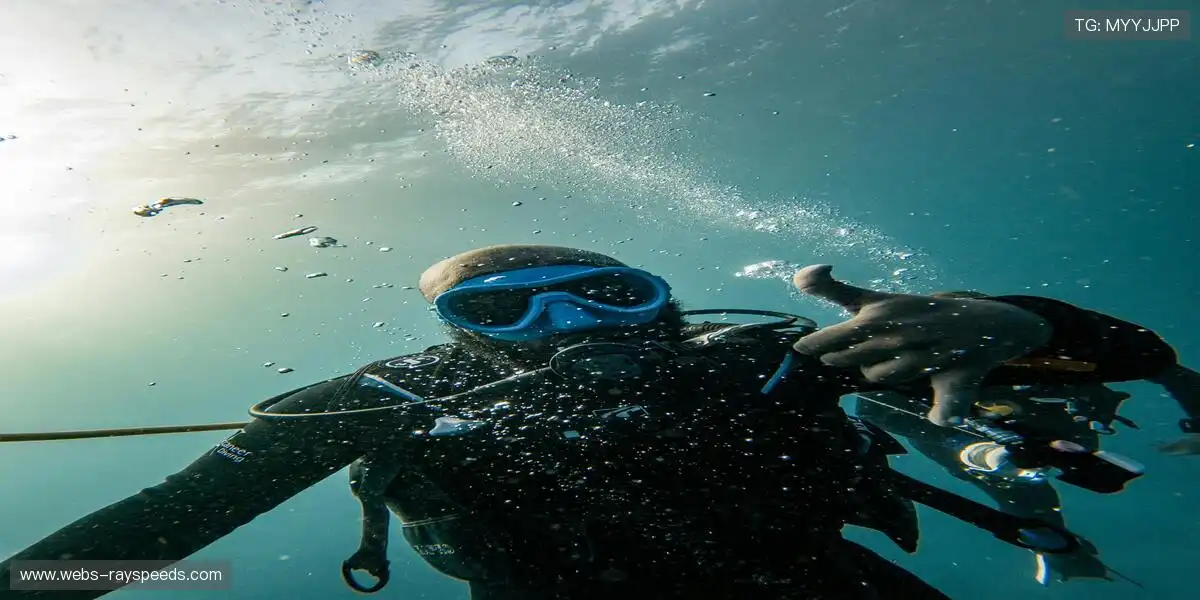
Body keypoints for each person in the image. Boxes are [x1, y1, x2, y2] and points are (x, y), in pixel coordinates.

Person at [0, 244, 1179, 600]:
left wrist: (1024, 316)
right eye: (502, 308)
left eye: (608, 292)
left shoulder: (775, 359)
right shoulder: (384, 401)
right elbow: (163, 527)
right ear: (458, 333)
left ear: (660, 303)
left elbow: (1132, 363)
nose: (565, 323)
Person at [853, 289, 1200, 586]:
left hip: (1039, 402)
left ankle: (1056, 543)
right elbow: (934, 439)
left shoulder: (1044, 329)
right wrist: (990, 455)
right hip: (973, 429)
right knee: (1015, 481)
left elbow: (1164, 367)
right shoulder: (885, 383)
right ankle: (1058, 549)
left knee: (1025, 473)